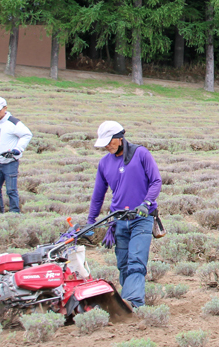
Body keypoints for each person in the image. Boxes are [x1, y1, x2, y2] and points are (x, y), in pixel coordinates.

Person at [87, 121, 162, 308]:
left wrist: (146, 203)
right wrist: (91, 221)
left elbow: (156, 181)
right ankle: (126, 301)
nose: (106, 145)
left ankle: (133, 303)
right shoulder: (104, 163)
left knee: (136, 261)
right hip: (119, 221)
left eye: (109, 141)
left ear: (120, 138)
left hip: (142, 219)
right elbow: (98, 195)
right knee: (123, 264)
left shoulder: (141, 154)